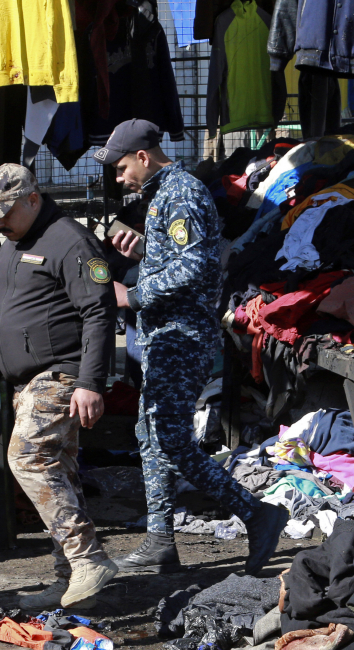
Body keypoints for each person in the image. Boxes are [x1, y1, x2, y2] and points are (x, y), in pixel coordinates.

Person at [94, 119, 288, 575]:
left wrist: (133, 294)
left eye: (122, 169)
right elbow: (181, 258)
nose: (120, 179)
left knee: (172, 439)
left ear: (143, 156)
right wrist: (145, 251)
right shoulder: (163, 195)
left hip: (181, 336)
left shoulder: (179, 192)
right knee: (150, 434)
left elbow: (195, 270)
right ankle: (161, 540)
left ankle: (258, 513)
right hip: (164, 335)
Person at [0, 164, 118, 612]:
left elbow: (99, 311)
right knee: (62, 475)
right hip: (25, 380)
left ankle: (88, 560)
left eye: (5, 211)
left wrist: (91, 382)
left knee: (27, 457)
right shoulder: (14, 242)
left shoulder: (70, 240)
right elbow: (3, 322)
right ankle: (69, 576)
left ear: (33, 199)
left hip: (60, 374)